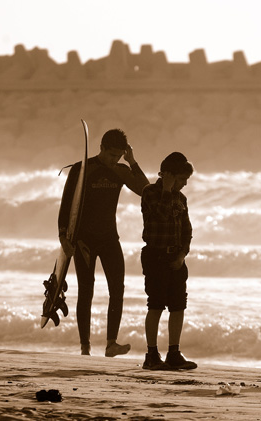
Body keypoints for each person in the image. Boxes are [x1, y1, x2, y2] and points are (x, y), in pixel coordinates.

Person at [58, 128, 149, 357]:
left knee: (117, 290)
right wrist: (63, 237)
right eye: (111, 155)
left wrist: (133, 162)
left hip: (109, 239)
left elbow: (146, 191)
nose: (113, 160)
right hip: (83, 242)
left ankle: (111, 344)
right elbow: (67, 203)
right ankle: (85, 347)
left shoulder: (120, 170)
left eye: (118, 155)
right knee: (86, 291)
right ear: (101, 148)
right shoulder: (82, 169)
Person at [140, 152, 197, 370]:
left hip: (176, 258)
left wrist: (182, 255)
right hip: (155, 256)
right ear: (168, 175)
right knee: (155, 305)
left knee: (178, 306)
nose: (183, 184)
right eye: (181, 179)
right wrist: (166, 189)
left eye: (185, 180)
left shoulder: (181, 199)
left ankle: (174, 352)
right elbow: (161, 214)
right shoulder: (150, 192)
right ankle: (151, 354)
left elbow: (187, 231)